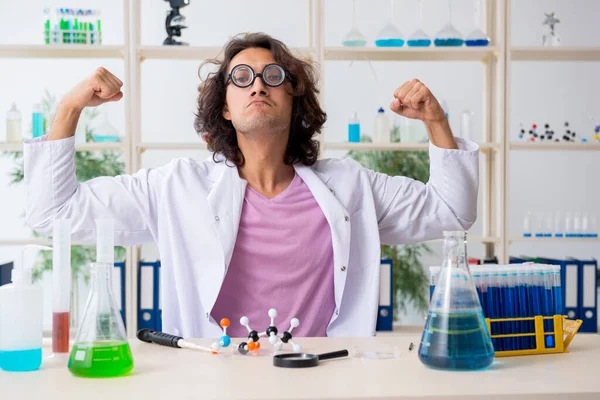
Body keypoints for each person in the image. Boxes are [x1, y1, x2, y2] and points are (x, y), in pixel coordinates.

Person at [23, 32, 479, 339]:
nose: (258, 85)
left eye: (274, 77)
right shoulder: (176, 187)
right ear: (224, 106)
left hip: (322, 378)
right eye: (241, 78)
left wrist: (435, 121)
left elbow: (451, 212)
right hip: (214, 379)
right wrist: (68, 110)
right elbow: (54, 213)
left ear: (294, 101)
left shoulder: (350, 185)